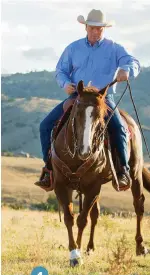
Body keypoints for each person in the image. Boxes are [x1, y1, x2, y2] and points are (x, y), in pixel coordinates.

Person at [34, 9, 140, 190]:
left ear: (104, 29)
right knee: (45, 125)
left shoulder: (114, 48)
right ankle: (49, 170)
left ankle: (123, 171)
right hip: (77, 97)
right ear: (86, 27)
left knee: (119, 128)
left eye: (100, 29)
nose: (96, 32)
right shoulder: (73, 48)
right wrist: (65, 84)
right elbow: (60, 71)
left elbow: (133, 62)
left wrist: (127, 70)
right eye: (93, 28)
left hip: (102, 98)